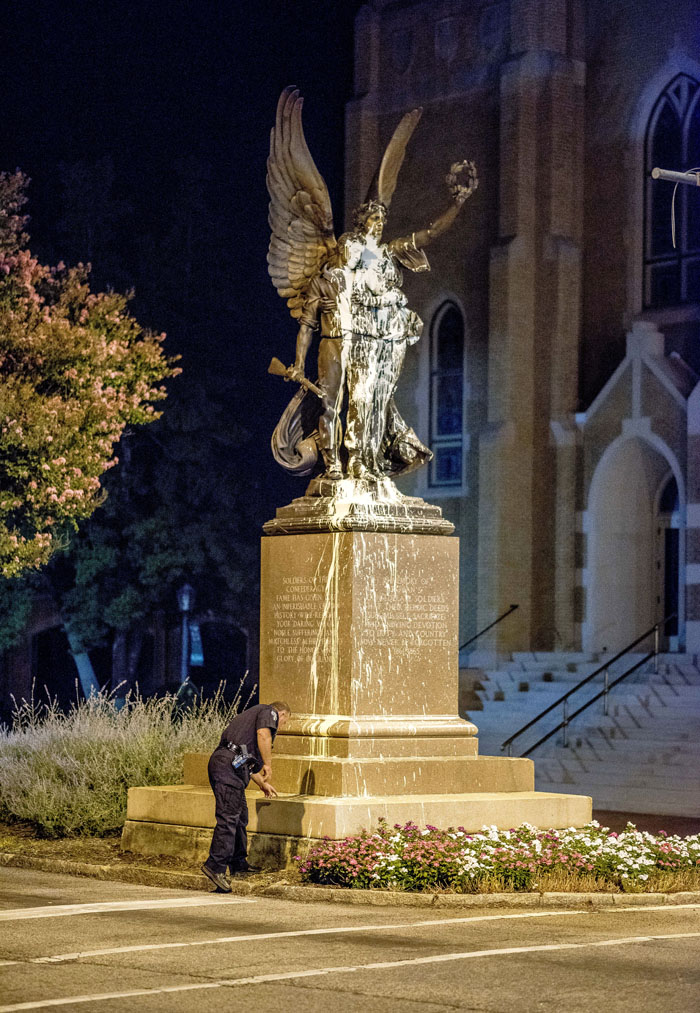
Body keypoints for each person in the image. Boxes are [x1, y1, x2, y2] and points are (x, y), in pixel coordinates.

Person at [201, 700, 291, 892]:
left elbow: (244, 760)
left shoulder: (251, 718)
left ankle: (238, 862)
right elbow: (263, 735)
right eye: (284, 723)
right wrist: (268, 763)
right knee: (228, 818)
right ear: (282, 715)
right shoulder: (270, 712)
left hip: (231, 765)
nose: (280, 728)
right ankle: (215, 866)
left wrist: (262, 783)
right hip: (227, 767)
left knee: (239, 816)